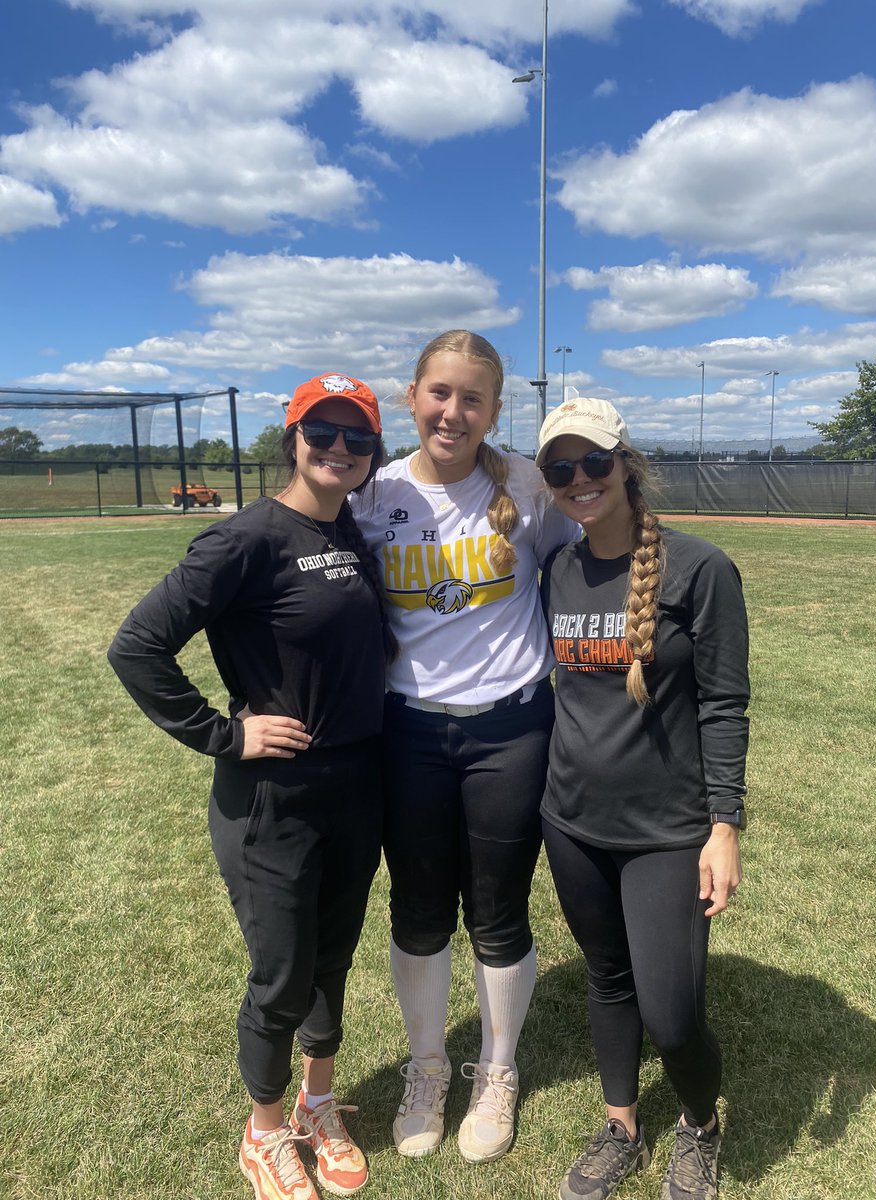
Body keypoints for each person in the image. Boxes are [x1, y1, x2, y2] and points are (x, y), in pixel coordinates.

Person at [108, 373, 395, 1200]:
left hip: (356, 785)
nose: (339, 449)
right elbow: (138, 647)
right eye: (323, 432)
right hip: (274, 800)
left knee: (333, 958)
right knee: (282, 972)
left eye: (358, 437)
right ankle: (264, 1133)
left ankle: (317, 1103)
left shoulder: (353, 537)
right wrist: (227, 734)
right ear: (292, 436)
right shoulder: (245, 540)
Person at [352, 329, 578, 1165]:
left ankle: (497, 1071)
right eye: (440, 393)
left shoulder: (527, 483)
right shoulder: (373, 495)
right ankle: (427, 1066)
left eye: (473, 397)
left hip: (511, 728)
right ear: (412, 396)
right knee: (416, 910)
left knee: (498, 910)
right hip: (407, 728)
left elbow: (587, 563)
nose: (454, 411)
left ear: (494, 407)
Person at [535, 396, 750, 1200]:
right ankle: (621, 1123)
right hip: (572, 822)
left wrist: (723, 825)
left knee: (672, 1013)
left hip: (667, 831)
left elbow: (725, 705)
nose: (580, 480)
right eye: (561, 468)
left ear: (627, 464)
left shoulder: (701, 569)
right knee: (607, 977)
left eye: (594, 462)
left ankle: (699, 1124)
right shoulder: (557, 567)